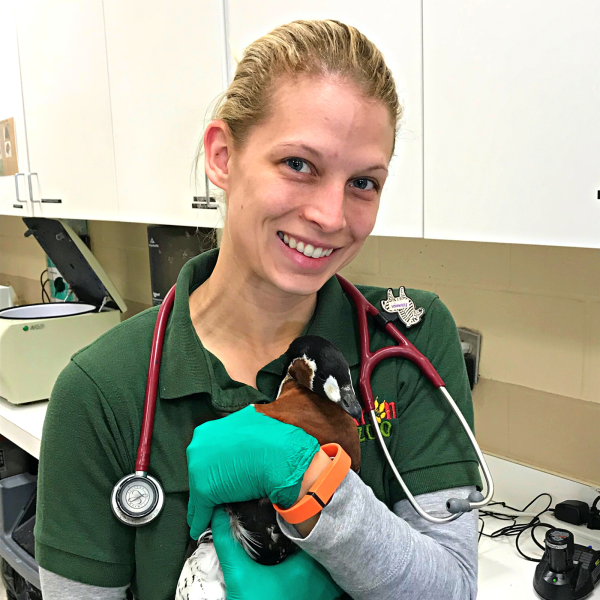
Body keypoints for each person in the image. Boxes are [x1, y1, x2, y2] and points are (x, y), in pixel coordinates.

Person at [35, 19, 482, 600]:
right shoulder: (102, 391)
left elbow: (450, 589)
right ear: (222, 157)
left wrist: (311, 483)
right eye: (299, 164)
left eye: (364, 182)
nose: (331, 216)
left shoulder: (406, 344)